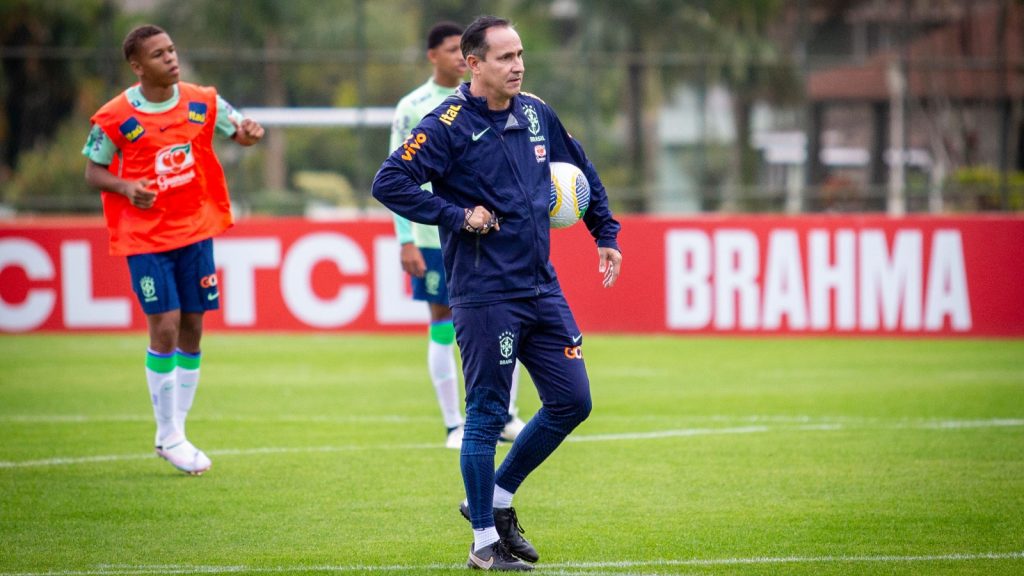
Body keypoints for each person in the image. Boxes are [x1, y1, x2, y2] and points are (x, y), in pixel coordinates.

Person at [372, 15, 622, 571]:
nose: (518, 66)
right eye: (506, 57)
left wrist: (604, 232)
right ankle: (484, 542)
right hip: (486, 294)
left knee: (573, 402)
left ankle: (497, 499)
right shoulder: (447, 125)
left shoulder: (535, 112)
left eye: (521, 55)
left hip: (541, 286)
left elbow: (579, 166)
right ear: (473, 63)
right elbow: (388, 181)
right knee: (485, 414)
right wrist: (457, 215)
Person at [82, 24, 264, 475]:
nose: (171, 58)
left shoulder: (203, 100)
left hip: (195, 229)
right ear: (137, 66)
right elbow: (93, 170)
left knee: (192, 329)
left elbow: (236, 130)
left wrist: (248, 132)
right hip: (146, 237)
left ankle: (174, 433)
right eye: (159, 54)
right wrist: (126, 186)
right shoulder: (116, 115)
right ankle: (168, 434)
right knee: (162, 327)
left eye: (172, 50)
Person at [388, 21, 527, 450]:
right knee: (443, 327)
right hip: (435, 239)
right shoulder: (414, 108)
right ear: (436, 56)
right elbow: (396, 178)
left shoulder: (498, 100)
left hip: (489, 237)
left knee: (512, 322)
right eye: (449, 50)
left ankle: (506, 415)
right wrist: (405, 239)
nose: (454, 56)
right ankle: (454, 423)